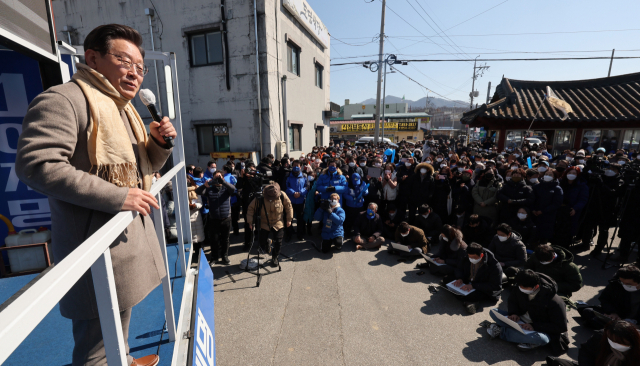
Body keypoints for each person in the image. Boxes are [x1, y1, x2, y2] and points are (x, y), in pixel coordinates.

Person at [15, 24, 176, 366]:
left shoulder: (122, 108)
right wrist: (118, 197)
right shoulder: (64, 100)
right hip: (93, 244)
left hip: (124, 243)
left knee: (120, 317)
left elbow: (138, 165)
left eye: (139, 67)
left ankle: (125, 358)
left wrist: (158, 145)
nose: (134, 73)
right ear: (92, 58)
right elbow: (37, 165)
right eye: (123, 60)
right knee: (95, 345)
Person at [487, 270, 569, 354]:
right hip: (519, 321)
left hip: (538, 328)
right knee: (493, 312)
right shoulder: (519, 287)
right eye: (520, 286)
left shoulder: (555, 301)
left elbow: (560, 327)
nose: (521, 289)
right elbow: (512, 301)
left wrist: (534, 326)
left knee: (542, 339)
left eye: (524, 288)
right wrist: (514, 313)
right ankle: (523, 339)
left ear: (536, 286)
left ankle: (501, 332)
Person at [578, 265, 640, 330]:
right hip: (618, 318)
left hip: (635, 323)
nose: (625, 285)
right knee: (588, 311)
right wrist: (612, 312)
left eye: (629, 284)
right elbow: (604, 299)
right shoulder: (616, 284)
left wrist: (637, 326)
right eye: (622, 283)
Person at [447, 243, 503, 314]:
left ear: (481, 255)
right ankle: (467, 301)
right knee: (448, 279)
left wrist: (473, 286)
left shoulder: (494, 266)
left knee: (470, 295)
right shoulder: (467, 257)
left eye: (474, 257)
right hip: (468, 281)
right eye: (470, 257)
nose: (471, 259)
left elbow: (495, 286)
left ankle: (470, 302)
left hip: (482, 288)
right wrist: (460, 278)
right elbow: (459, 268)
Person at [246, 183, 294, 266]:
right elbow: (250, 209)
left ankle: (275, 257)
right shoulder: (260, 198)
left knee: (278, 241)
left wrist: (289, 219)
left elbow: (288, 206)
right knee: (262, 241)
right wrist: (250, 222)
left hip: (278, 222)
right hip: (264, 223)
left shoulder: (282, 195)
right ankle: (267, 242)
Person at [196, 170, 237, 264]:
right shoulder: (210, 189)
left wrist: (224, 182)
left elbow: (233, 189)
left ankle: (225, 256)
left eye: (219, 177)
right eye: (215, 178)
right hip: (213, 219)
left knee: (225, 239)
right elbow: (198, 191)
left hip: (226, 218)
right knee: (214, 239)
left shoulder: (226, 188)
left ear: (222, 177)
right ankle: (214, 257)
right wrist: (205, 185)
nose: (217, 180)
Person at [591, 163, 626, 257]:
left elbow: (613, 193)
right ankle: (587, 241)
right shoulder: (602, 177)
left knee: (603, 230)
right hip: (596, 205)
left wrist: (601, 184)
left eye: (613, 169)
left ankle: (599, 248)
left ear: (618, 171)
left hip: (608, 209)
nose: (610, 170)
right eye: (609, 168)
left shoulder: (620, 181)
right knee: (591, 226)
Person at [574, 320, 640, 366]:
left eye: (619, 342)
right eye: (611, 340)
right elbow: (586, 352)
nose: (614, 344)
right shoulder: (601, 337)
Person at [532, 168, 563, 243]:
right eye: (546, 174)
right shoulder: (536, 186)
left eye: (550, 175)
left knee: (544, 236)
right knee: (534, 235)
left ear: (554, 177)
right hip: (535, 214)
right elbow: (532, 199)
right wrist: (533, 209)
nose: (547, 176)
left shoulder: (557, 189)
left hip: (548, 216)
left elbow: (557, 203)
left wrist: (543, 211)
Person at [285, 160, 308, 241]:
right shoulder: (288, 175)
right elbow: (286, 187)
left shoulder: (304, 176)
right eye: (294, 165)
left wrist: (300, 193)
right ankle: (289, 234)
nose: (296, 166)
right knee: (289, 218)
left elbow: (307, 187)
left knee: (300, 219)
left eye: (297, 165)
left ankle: (300, 235)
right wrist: (293, 192)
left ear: (300, 166)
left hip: (300, 200)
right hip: (290, 200)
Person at [222, 164, 241, 237]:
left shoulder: (225, 179)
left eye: (223, 169)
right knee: (235, 218)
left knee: (228, 218)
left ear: (225, 170)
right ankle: (236, 231)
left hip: (228, 200)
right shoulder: (233, 177)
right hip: (235, 199)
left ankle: (228, 233)